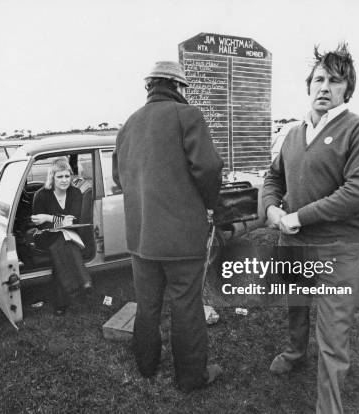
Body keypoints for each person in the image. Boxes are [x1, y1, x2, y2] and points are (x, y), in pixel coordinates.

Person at [261, 44, 359, 414]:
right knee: (295, 308)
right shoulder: (292, 132)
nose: (324, 87)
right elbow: (273, 176)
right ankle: (295, 352)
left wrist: (298, 217)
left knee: (332, 336)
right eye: (318, 79)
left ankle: (328, 408)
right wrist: (269, 207)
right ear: (308, 86)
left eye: (334, 80)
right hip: (293, 245)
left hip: (337, 249)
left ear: (348, 88)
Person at [112, 61, 224, 392]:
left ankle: (146, 365)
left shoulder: (128, 125)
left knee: (146, 305)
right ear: (178, 87)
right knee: (186, 308)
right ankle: (191, 378)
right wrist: (209, 205)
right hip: (181, 239)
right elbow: (208, 168)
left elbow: (120, 178)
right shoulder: (188, 116)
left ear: (150, 87)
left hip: (141, 238)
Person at [31, 157, 92, 316]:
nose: (64, 180)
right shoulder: (41, 195)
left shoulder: (75, 192)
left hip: (69, 233)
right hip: (45, 236)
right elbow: (39, 223)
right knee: (63, 243)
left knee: (64, 245)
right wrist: (54, 220)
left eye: (67, 176)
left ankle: (62, 302)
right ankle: (82, 281)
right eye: (60, 176)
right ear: (52, 177)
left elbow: (72, 220)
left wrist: (49, 217)